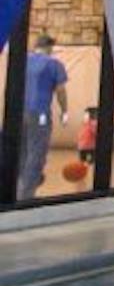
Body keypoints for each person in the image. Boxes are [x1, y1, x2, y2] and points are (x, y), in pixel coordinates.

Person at [16, 35, 68, 200]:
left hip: (18, 113)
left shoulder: (22, 61)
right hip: (40, 114)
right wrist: (64, 111)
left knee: (20, 153)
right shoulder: (54, 64)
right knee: (36, 154)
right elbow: (60, 90)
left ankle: (15, 191)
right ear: (50, 47)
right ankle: (26, 197)